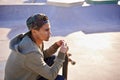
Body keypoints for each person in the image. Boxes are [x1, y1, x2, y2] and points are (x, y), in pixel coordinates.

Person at [5, 13, 68, 80]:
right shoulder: (30, 51)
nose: (50, 33)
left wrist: (55, 46)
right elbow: (51, 76)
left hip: (28, 73)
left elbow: (40, 56)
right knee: (60, 79)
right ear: (34, 31)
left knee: (53, 58)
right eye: (46, 30)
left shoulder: (32, 38)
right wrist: (61, 54)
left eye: (49, 29)